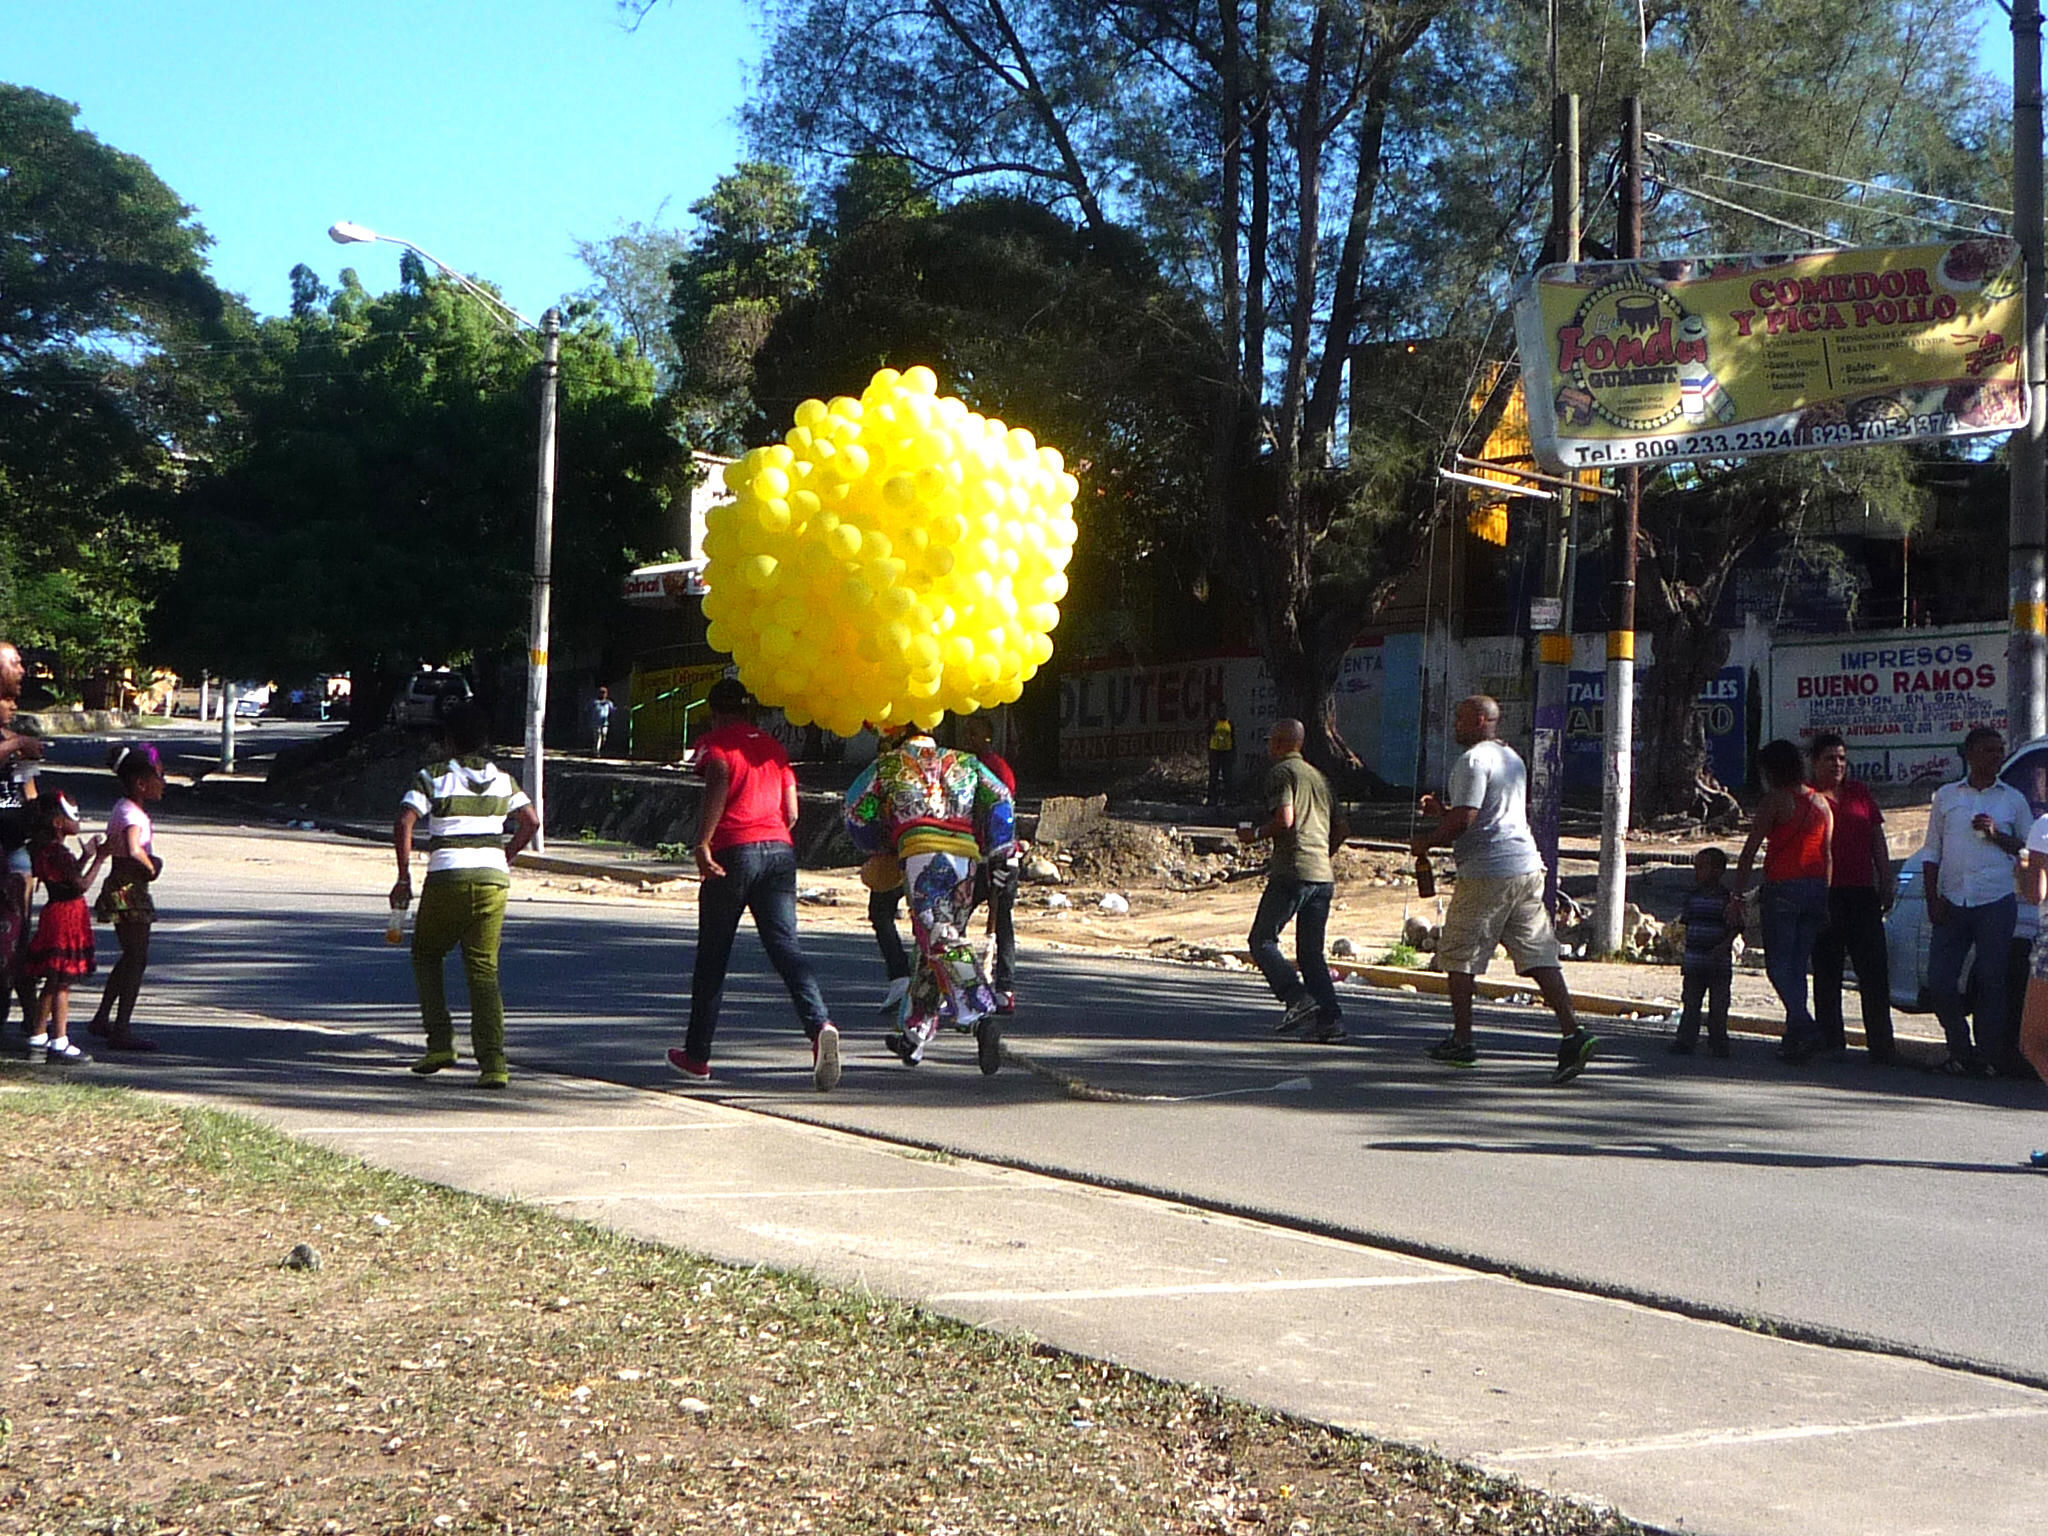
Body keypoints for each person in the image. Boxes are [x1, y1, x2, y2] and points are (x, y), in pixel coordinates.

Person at [1413, 694, 1595, 1082]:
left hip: (1487, 872)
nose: (1454, 725)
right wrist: (1442, 813)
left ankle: (1462, 1041)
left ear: (1480, 719)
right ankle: (1572, 1032)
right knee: (1539, 954)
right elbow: (1489, 814)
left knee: (1460, 955)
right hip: (1526, 867)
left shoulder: (1473, 760)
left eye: (1461, 719)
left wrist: (1427, 841)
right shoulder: (1511, 758)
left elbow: (1467, 819)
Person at [668, 679, 838, 1089]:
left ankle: (697, 1056)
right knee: (785, 947)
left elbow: (718, 783)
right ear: (750, 711)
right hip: (780, 851)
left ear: (714, 710)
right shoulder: (774, 749)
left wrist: (703, 842)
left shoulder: (716, 744)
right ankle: (819, 1027)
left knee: (713, 956)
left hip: (733, 852)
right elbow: (792, 811)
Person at [845, 720, 1015, 1073]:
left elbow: (856, 810)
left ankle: (980, 1013)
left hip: (921, 851)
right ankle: (915, 1031)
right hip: (967, 858)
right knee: (932, 941)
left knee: (938, 935)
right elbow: (1000, 795)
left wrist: (881, 844)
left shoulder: (888, 765)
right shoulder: (965, 761)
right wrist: (1002, 849)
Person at [392, 704, 540, 1090]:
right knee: (483, 971)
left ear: (448, 740)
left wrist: (404, 876)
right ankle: (493, 1064)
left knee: (426, 954)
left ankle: (440, 1043)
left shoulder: (434, 777)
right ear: (485, 741)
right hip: (493, 882)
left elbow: (406, 818)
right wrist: (505, 855)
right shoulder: (503, 779)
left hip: (447, 878)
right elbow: (531, 821)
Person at [1921, 726, 2032, 1077]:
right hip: (1953, 900)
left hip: (1995, 900)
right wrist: (1932, 900)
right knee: (1939, 981)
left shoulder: (2012, 799)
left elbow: (2029, 850)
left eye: (2000, 751)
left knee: (1990, 979)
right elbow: (1931, 852)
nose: (1996, 757)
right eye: (1988, 751)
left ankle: (1987, 1056)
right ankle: (1959, 1046)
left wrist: (1997, 835)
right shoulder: (1947, 796)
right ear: (1969, 754)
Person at [1239, 718, 1344, 1043]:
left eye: (1271, 741)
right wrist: (1321, 855)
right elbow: (1342, 829)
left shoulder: (1282, 773)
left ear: (1282, 743)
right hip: (1322, 876)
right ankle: (1330, 1021)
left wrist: (1254, 834)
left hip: (1292, 870)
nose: (1269, 747)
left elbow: (1285, 819)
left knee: (1262, 940)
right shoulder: (1319, 777)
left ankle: (1295, 998)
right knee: (1311, 953)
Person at [1730, 739, 1834, 1064]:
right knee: (1798, 966)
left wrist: (1737, 894)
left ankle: (1804, 1025)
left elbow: (1749, 851)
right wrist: (1826, 896)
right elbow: (1826, 854)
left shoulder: (1776, 801)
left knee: (1777, 966)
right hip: (1816, 888)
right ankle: (1796, 1037)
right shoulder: (1822, 803)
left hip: (1783, 888)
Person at [1807, 733, 1897, 1063]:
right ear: (1815, 762)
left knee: (1873, 970)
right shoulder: (1808, 797)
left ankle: (1882, 1045)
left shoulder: (1859, 793)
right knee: (1827, 969)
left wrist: (1886, 878)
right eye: (1830, 758)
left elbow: (1876, 837)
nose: (1838, 764)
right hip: (1823, 893)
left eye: (1842, 758)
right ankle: (1831, 1040)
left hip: (1861, 892)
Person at [86, 743, 166, 1052]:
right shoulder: (133, 814)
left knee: (133, 956)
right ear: (141, 783)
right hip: (129, 889)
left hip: (124, 886)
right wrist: (152, 866)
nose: (163, 782)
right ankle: (121, 1027)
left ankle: (104, 1017)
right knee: (136, 958)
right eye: (159, 776)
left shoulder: (124, 808)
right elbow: (133, 849)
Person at [24, 794, 107, 1064]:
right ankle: (59, 1039)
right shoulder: (57, 852)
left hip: (57, 912)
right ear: (59, 823)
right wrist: (99, 859)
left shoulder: (47, 850)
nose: (78, 821)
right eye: (74, 817)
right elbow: (80, 885)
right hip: (66, 916)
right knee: (61, 981)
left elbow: (68, 879)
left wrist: (85, 856)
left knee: (54, 979)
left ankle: (38, 1035)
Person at [960, 715, 1019, 1013]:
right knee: (956, 920)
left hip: (998, 857)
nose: (969, 738)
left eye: (975, 734)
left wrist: (1000, 855)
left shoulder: (995, 769)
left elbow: (1003, 812)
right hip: (971, 857)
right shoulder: (960, 768)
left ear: (988, 738)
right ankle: (961, 985)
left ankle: (1005, 988)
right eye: (967, 733)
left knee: (1003, 921)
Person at [0, 688, 42, 1038]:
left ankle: (34, 1024)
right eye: (7, 702)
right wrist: (14, 746)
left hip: (16, 848)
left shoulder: (14, 741)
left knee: (19, 941)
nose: (12, 708)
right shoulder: (10, 744)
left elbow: (29, 791)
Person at [1670, 847, 1739, 1057]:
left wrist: (1725, 945)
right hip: (1694, 961)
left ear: (1718, 870)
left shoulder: (1727, 899)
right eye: (1696, 867)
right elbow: (1686, 924)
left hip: (1718, 963)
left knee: (1718, 1005)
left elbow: (1736, 926)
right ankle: (1685, 1040)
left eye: (1702, 867)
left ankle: (1719, 1042)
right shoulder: (1692, 897)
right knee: (1691, 1002)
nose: (1697, 872)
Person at [1207, 710, 1236, 806]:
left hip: (1226, 751)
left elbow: (1233, 737)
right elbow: (1208, 734)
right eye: (1220, 711)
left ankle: (1229, 799)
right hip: (1215, 751)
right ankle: (1212, 798)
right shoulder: (1214, 722)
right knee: (1213, 775)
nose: (1222, 714)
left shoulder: (1229, 722)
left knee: (1227, 776)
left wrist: (1233, 751)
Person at [591, 685, 617, 757]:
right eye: (601, 692)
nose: (602, 694)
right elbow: (587, 710)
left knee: (604, 737)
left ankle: (599, 748)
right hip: (596, 722)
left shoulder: (608, 703)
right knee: (597, 736)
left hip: (605, 723)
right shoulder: (594, 702)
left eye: (604, 692)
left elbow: (612, 711)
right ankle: (596, 751)